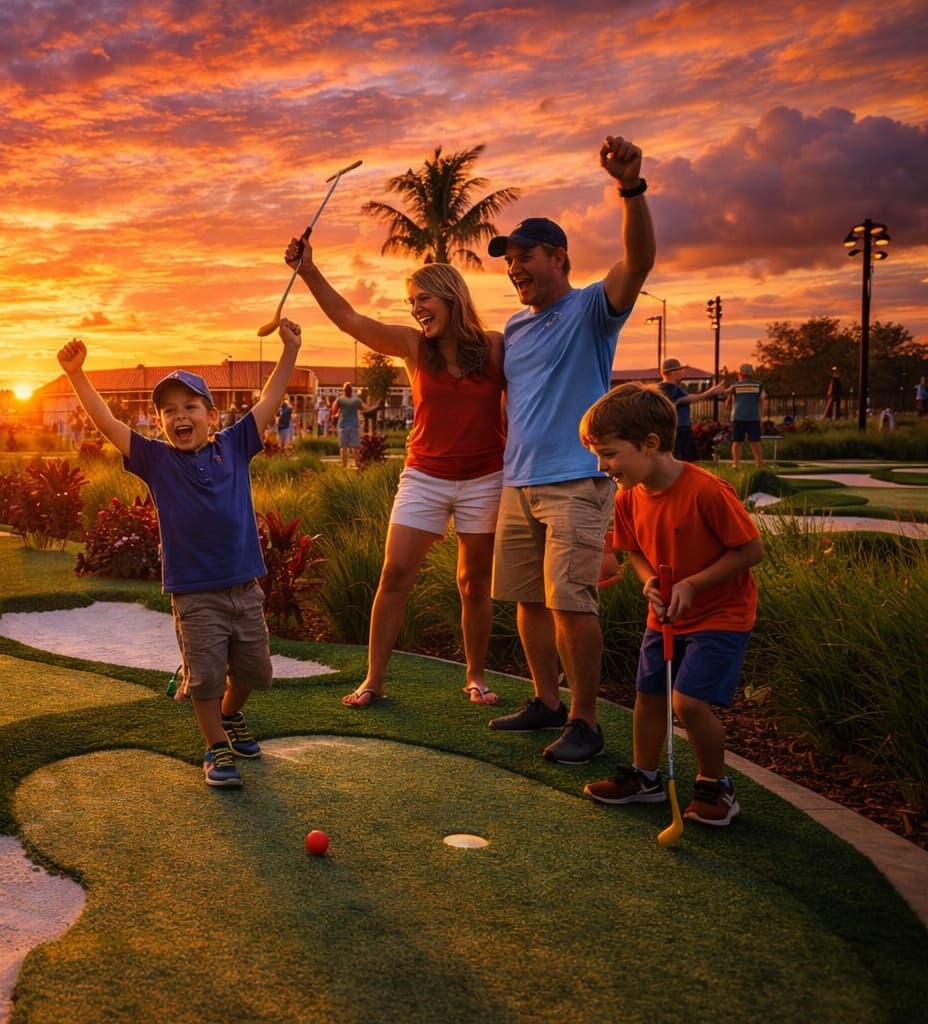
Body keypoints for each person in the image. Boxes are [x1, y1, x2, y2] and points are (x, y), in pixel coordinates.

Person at [56, 323, 303, 788]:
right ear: (160, 423)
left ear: (212, 416)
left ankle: (231, 717)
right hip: (194, 595)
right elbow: (108, 422)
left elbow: (270, 400)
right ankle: (214, 749)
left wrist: (290, 350)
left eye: (190, 407)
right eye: (168, 411)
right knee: (207, 679)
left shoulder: (235, 444)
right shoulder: (156, 460)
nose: (179, 416)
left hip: (244, 585)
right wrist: (76, 375)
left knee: (254, 671)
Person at [484, 135, 656, 764]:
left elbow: (637, 262)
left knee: (570, 600)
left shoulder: (592, 309)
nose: (515, 268)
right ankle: (546, 702)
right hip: (519, 481)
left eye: (525, 256)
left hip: (576, 482)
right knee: (529, 600)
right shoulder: (515, 327)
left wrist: (629, 189)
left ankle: (585, 720)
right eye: (508, 261)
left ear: (558, 257)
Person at [285, 241, 507, 706]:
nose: (416, 309)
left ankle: (475, 677)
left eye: (422, 298)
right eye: (412, 303)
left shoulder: (496, 348)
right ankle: (374, 680)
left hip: (485, 477)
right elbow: (351, 320)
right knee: (395, 574)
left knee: (473, 582)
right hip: (424, 476)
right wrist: (309, 270)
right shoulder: (413, 346)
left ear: (450, 295)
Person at [580, 383, 762, 826]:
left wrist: (693, 585)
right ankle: (645, 779)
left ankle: (715, 787)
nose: (603, 466)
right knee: (649, 695)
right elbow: (636, 552)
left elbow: (750, 551)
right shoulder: (627, 498)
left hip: (720, 615)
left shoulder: (706, 491)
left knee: (689, 702)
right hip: (664, 616)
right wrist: (649, 584)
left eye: (609, 454)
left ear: (651, 444)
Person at [657, 358, 726, 462]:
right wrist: (710, 392)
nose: (682, 373)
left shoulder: (665, 388)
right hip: (679, 430)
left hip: (675, 429)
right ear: (673, 372)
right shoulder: (669, 388)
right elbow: (686, 399)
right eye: (680, 370)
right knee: (683, 462)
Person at [725, 364, 765, 469]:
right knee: (755, 441)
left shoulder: (735, 386)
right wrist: (762, 414)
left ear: (740, 374)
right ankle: (759, 463)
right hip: (753, 417)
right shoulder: (758, 385)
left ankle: (735, 463)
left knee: (737, 442)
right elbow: (763, 400)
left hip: (737, 417)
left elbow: (727, 403)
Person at [334, 382, 364, 467]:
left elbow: (334, 410)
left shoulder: (340, 400)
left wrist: (336, 414)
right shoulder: (356, 400)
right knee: (355, 446)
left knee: (343, 446)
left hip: (343, 425)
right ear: (351, 390)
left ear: (344, 390)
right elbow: (364, 408)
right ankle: (357, 463)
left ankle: (344, 465)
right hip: (354, 425)